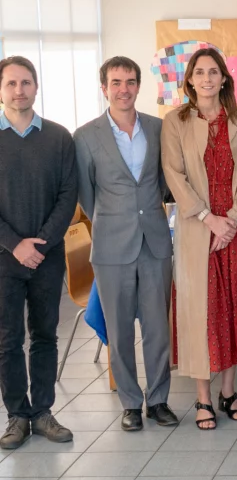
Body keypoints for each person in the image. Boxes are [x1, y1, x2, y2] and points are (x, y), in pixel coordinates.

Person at [162, 48, 237, 430]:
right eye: (200, 72)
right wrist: (210, 220)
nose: (207, 79)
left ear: (224, 78)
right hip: (197, 230)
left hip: (236, 230)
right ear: (189, 79)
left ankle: (229, 391)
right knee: (202, 313)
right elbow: (175, 176)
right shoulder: (174, 121)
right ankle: (203, 397)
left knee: (235, 307)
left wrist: (234, 220)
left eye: (214, 72)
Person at [73, 56, 177, 432]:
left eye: (130, 82)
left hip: (154, 242)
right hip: (112, 245)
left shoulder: (158, 127)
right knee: (119, 331)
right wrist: (115, 218)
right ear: (104, 88)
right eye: (116, 82)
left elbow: (165, 184)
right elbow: (87, 196)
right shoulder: (85, 136)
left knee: (157, 328)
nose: (124, 89)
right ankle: (131, 403)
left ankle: (160, 400)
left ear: (138, 86)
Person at [0, 56, 77, 449]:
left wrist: (39, 244)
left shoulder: (59, 137)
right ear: (1, 90)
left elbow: (68, 195)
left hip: (46, 257)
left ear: (36, 87)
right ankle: (17, 415)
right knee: (7, 339)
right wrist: (15, 245)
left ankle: (43, 411)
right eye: (12, 83)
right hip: (3, 259)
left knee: (45, 334)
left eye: (26, 82)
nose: (19, 90)